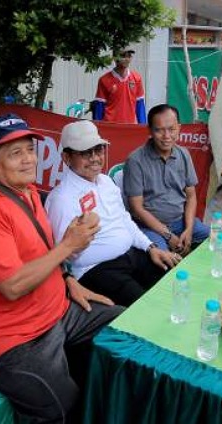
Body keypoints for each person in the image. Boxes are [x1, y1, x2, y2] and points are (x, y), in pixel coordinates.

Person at [0, 113, 123, 424]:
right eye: (15, 153)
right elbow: (12, 286)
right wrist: (69, 247)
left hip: (57, 312)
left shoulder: (29, 192)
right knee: (63, 409)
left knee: (126, 326)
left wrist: (68, 280)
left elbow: (41, 249)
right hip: (12, 337)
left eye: (30, 149)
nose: (29, 159)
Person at [46, 120, 179, 307]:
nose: (94, 158)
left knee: (175, 286)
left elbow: (124, 219)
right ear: (66, 158)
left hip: (131, 255)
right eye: (85, 153)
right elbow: (63, 254)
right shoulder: (62, 199)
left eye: (98, 150)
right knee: (148, 308)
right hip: (95, 270)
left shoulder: (106, 181)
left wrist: (150, 247)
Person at [123, 104, 210, 254]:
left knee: (218, 239)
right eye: (159, 130)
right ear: (150, 130)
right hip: (149, 227)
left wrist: (189, 229)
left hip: (181, 222)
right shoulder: (135, 160)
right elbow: (137, 209)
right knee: (163, 258)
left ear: (179, 128)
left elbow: (191, 196)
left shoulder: (183, 154)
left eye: (171, 129)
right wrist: (168, 236)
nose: (167, 136)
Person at [92, 48, 146, 124]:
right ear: (115, 58)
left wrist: (143, 128)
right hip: (110, 126)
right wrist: (98, 127)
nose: (126, 59)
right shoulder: (104, 80)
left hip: (128, 126)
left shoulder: (137, 78)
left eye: (129, 56)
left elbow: (140, 105)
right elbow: (99, 107)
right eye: (123, 56)